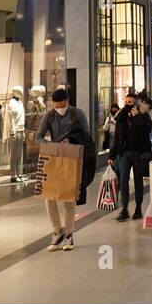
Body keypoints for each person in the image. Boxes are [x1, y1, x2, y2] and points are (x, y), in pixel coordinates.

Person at [36, 88, 91, 250]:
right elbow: (39, 136)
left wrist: (72, 142)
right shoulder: (50, 115)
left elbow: (86, 136)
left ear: (66, 101)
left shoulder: (77, 114)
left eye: (61, 105)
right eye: (55, 106)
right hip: (53, 158)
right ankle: (57, 231)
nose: (58, 108)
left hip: (72, 159)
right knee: (49, 196)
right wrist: (51, 146)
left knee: (69, 198)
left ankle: (69, 234)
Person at [110, 89, 152, 220]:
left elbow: (146, 131)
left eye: (131, 103)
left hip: (139, 153)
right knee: (123, 180)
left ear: (136, 104)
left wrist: (137, 117)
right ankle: (124, 209)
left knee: (138, 180)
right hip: (125, 153)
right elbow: (117, 137)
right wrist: (112, 155)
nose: (128, 105)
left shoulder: (144, 116)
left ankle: (138, 208)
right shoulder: (122, 116)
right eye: (126, 102)